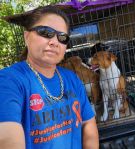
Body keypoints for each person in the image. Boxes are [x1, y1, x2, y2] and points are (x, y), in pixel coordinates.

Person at [0, 5, 99, 149]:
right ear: (26, 36)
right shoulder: (9, 81)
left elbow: (88, 124)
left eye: (62, 37)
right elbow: (7, 138)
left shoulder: (71, 78)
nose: (54, 42)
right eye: (45, 32)